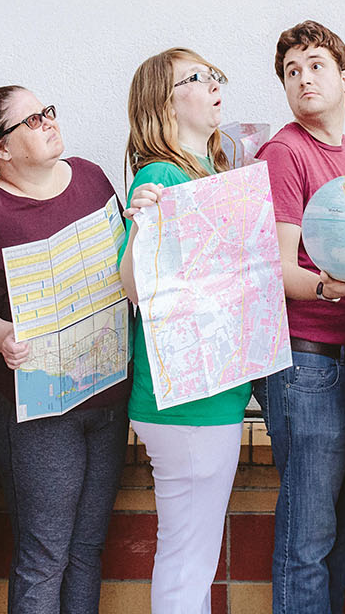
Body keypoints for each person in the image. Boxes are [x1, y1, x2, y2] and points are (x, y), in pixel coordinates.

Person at [0, 85, 128, 614]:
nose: (48, 122)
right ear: (0, 149)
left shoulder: (92, 175)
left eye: (47, 111)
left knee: (86, 549)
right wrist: (2, 336)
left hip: (108, 392)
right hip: (39, 410)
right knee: (45, 553)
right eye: (31, 120)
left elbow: (126, 262)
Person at [252, 20, 345, 614]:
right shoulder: (283, 152)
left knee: (340, 533)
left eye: (315, 65)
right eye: (291, 71)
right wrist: (335, 290)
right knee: (307, 540)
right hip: (305, 365)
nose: (303, 78)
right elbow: (276, 268)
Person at [116, 47, 247, 613]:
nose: (214, 83)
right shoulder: (161, 174)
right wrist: (141, 224)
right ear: (164, 104)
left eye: (214, 73)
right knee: (190, 557)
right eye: (197, 77)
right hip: (188, 402)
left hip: (206, 394)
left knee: (192, 552)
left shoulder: (211, 172)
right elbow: (134, 286)